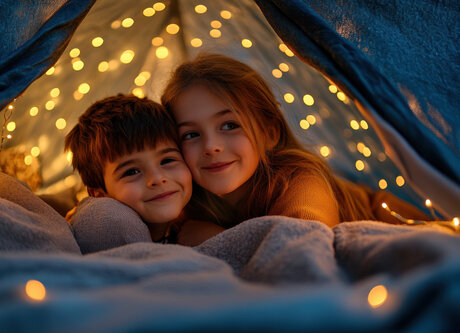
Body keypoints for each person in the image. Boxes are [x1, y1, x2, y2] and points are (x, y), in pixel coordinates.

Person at [161, 53, 429, 240]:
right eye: (191, 134)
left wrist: (219, 242)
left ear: (270, 134)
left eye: (230, 125)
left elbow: (304, 247)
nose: (211, 147)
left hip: (401, 222)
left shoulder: (299, 179)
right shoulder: (185, 199)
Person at [64, 94, 192, 252]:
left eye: (167, 161)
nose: (158, 178)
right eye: (132, 171)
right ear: (99, 195)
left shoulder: (197, 221)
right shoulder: (101, 239)